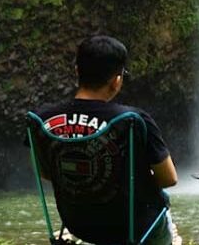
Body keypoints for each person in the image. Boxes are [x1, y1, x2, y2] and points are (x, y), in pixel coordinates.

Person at [30, 36, 180, 245]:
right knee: (160, 209)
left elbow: (46, 172)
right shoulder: (132, 119)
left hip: (80, 225)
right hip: (132, 228)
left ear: (77, 71)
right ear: (116, 80)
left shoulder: (42, 119)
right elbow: (169, 178)